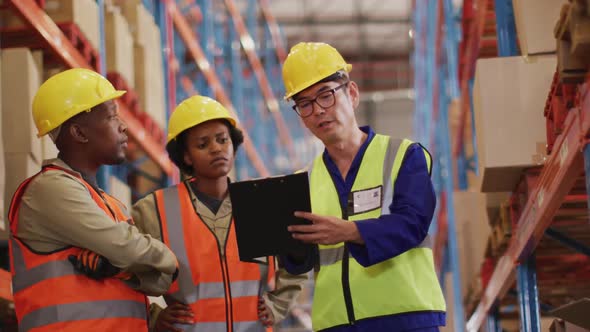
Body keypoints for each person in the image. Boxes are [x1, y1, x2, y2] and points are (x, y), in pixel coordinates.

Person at [280, 42, 447, 332]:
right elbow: (299, 265)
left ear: (353, 94)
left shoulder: (404, 155)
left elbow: (414, 223)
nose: (318, 110)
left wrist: (350, 232)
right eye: (305, 104)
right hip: (337, 324)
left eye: (326, 95)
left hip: (405, 319)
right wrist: (284, 243)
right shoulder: (303, 182)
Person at [8, 68, 179, 332]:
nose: (123, 125)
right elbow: (128, 248)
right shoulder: (50, 190)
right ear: (79, 133)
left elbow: (157, 280)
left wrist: (122, 268)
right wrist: (165, 256)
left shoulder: (111, 205)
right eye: (111, 117)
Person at [131, 95, 307, 332]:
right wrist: (153, 317)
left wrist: (278, 305)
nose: (216, 149)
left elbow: (297, 261)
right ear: (186, 156)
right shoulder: (155, 209)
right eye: (203, 144)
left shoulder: (261, 201)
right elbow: (123, 274)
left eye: (223, 140)